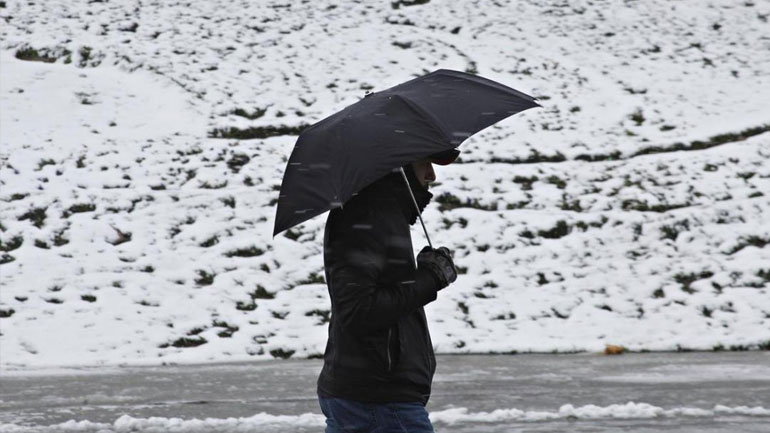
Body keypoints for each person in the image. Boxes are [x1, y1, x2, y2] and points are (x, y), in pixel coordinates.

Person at [317, 149, 460, 433]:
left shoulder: (379, 215)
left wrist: (424, 275)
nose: (431, 174)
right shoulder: (365, 218)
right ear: (399, 168)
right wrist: (429, 278)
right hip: (377, 401)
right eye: (424, 163)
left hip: (370, 395)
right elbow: (360, 310)